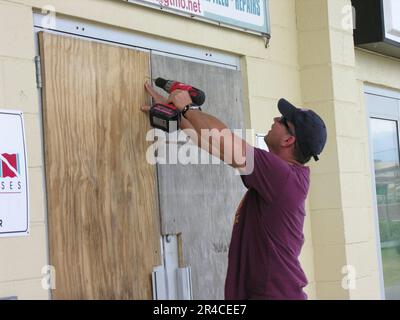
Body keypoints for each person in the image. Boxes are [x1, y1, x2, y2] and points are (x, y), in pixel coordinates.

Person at [141, 81, 327, 300]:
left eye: (283, 120)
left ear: (288, 140)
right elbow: (213, 144)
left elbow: (223, 137)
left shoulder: (281, 176)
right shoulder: (282, 177)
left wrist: (187, 108)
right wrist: (177, 116)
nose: (275, 119)